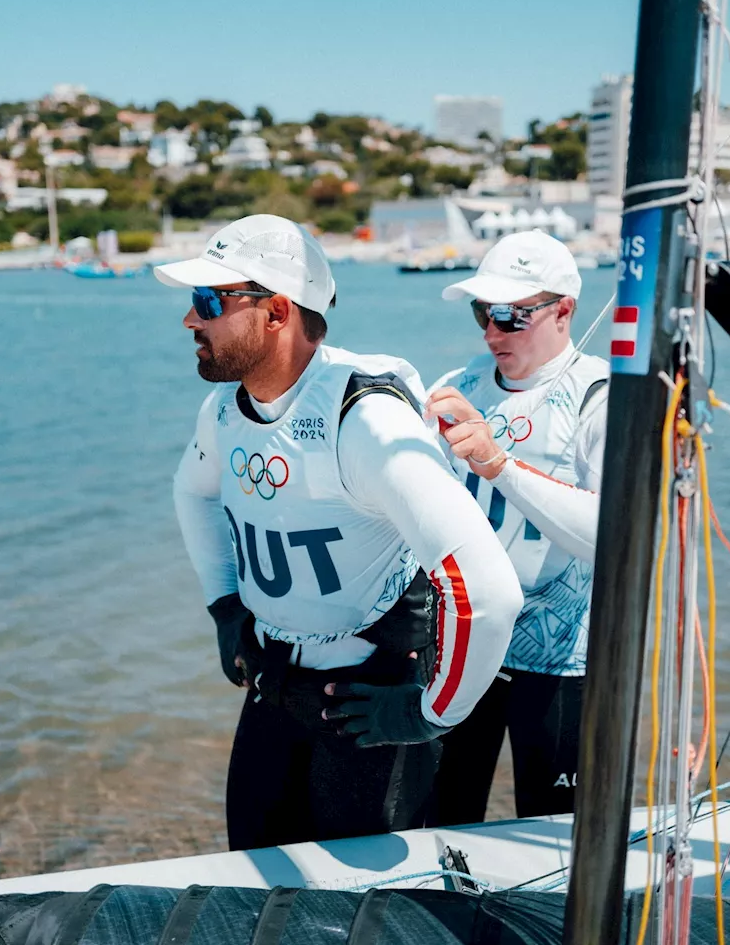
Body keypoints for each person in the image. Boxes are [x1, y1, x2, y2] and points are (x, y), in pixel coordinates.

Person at [165, 214, 522, 850]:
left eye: (208, 302)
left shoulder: (366, 419)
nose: (191, 320)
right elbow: (191, 493)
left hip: (368, 702)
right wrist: (225, 608)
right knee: (252, 884)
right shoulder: (225, 407)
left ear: (276, 311)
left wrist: (429, 714)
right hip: (274, 686)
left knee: (364, 912)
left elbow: (490, 590)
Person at [423, 229, 609, 825]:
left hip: (559, 661)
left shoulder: (599, 395)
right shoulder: (464, 383)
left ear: (564, 310)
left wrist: (498, 464)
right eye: (483, 312)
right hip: (465, 639)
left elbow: (610, 538)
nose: (491, 331)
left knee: (555, 831)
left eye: (511, 315)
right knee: (440, 820)